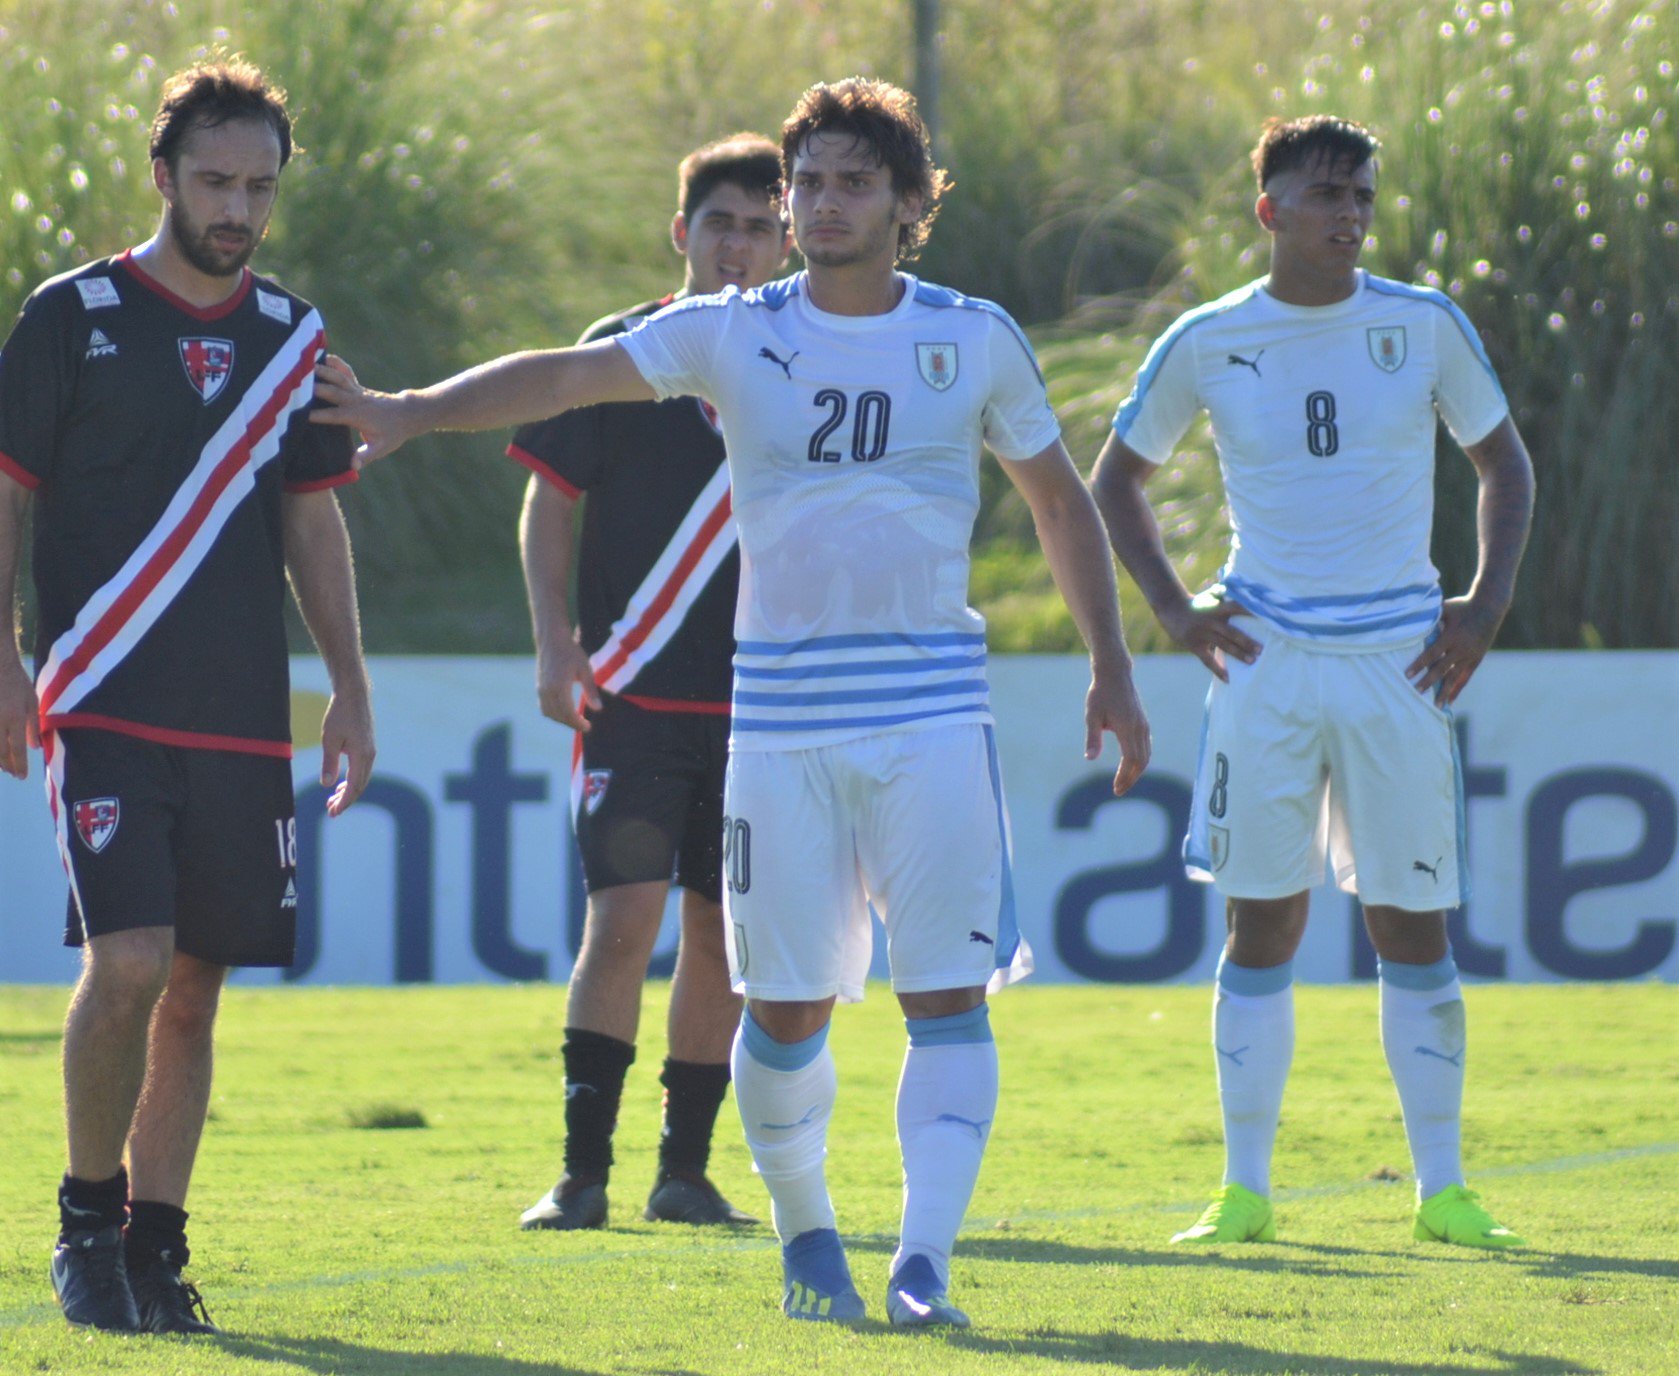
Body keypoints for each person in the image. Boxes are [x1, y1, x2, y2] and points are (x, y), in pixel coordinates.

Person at [313, 76, 1150, 1328]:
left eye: (852, 181)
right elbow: (562, 377)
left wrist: (1113, 663)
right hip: (778, 722)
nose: (818, 204)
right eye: (803, 182)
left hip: (929, 717)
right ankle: (807, 1233)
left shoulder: (971, 337)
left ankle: (923, 1264)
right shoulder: (731, 328)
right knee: (784, 1005)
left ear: (911, 204)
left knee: (945, 997)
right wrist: (410, 410)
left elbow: (1054, 500)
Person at [1090, 115, 1534, 1250]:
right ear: (1268, 209)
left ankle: (1441, 1189)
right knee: (1260, 924)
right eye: (1325, 193)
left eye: (1361, 197)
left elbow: (1502, 461)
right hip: (1265, 660)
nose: (1348, 214)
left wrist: (1481, 606)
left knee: (1412, 925)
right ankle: (1243, 1190)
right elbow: (1115, 480)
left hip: (1398, 659)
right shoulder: (1206, 338)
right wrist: (1174, 609)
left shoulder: (1419, 324)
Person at [0, 58, 374, 1334]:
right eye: (214, 179)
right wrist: (5, 653)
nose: (237, 207)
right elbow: (9, 490)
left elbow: (313, 528)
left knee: (199, 982)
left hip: (235, 711)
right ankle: (84, 1231)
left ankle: (158, 1250)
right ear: (161, 174)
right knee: (132, 962)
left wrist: (349, 688)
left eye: (258, 185)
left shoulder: (294, 337)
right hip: (101, 690)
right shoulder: (71, 313)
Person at [514, 134, 791, 1233]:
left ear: (784, 239)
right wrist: (551, 639)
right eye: (719, 222)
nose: (738, 244)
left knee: (724, 935)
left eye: (758, 226)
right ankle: (582, 1172)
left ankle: (685, 1169)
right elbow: (547, 499)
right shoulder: (621, 351)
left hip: (761, 707)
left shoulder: (806, 357)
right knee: (620, 921)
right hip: (632, 695)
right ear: (681, 233)